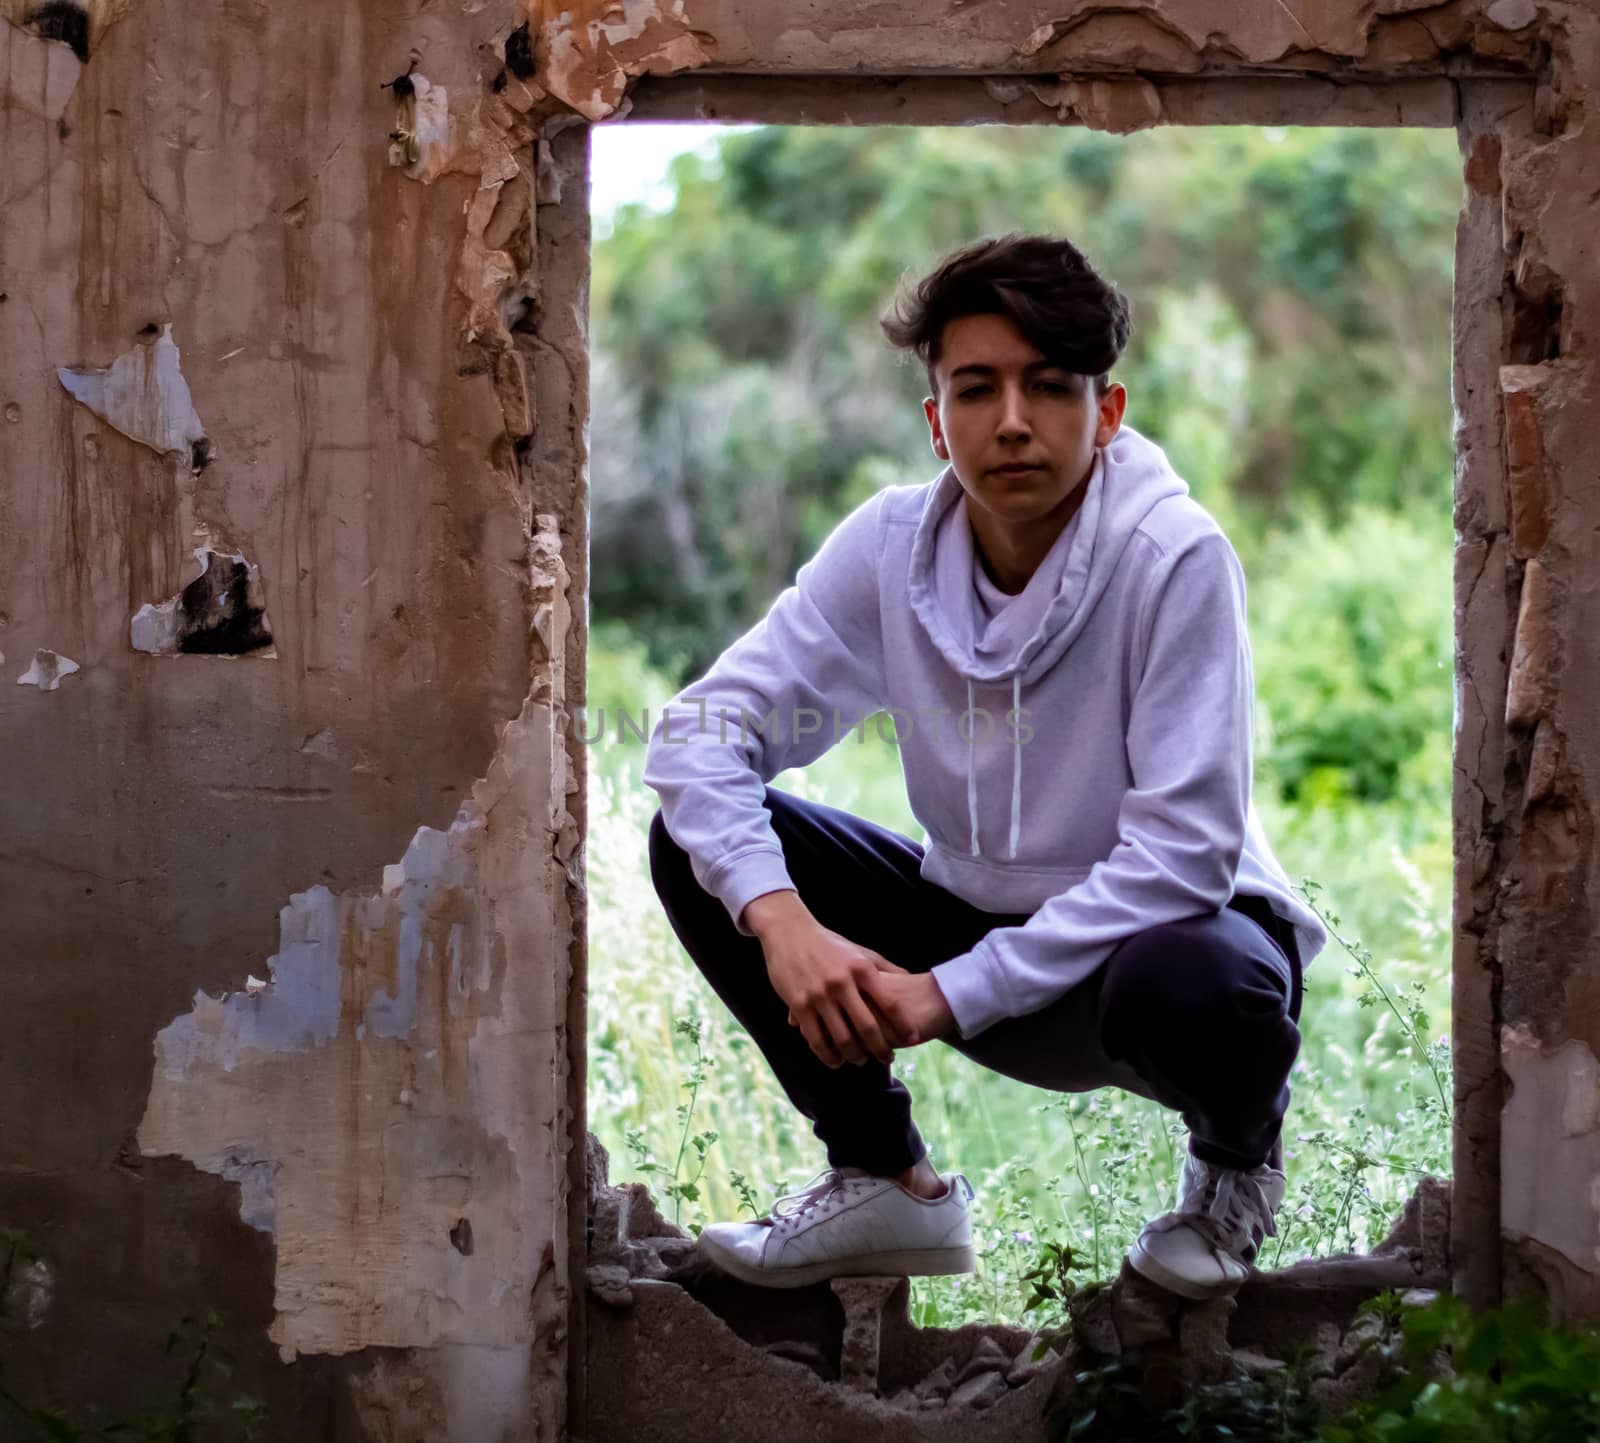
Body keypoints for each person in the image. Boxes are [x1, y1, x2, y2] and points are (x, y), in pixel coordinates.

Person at [641, 232, 1326, 1301]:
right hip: (965, 917)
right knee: (701, 847)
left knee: (1201, 979)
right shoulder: (888, 549)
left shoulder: (1174, 557)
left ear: (1106, 413)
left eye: (1050, 387)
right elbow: (696, 734)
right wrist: (782, 922)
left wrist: (949, 997)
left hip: (1143, 959)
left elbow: (1185, 858)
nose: (1012, 421)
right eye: (977, 388)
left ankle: (1232, 1177)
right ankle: (883, 1182)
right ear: (936, 421)